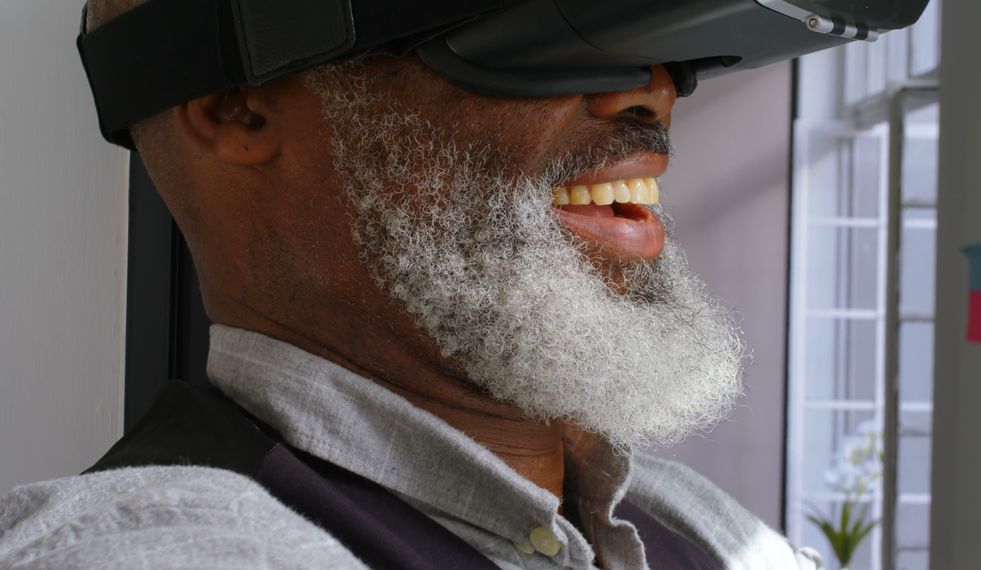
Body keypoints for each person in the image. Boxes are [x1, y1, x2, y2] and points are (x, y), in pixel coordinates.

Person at [0, 1, 822, 568]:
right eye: (536, 27)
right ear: (238, 105)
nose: (653, 90)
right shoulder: (155, 544)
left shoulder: (693, 524)